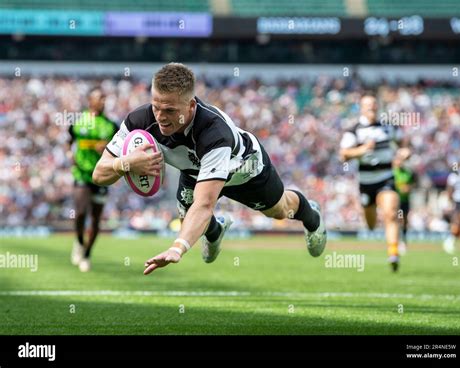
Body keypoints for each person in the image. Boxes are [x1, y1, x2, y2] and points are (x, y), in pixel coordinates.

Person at [92, 63, 327, 274]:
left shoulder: (213, 133)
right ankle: (215, 231)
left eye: (170, 111)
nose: (161, 117)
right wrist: (125, 163)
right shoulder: (138, 121)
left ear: (191, 105)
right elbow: (99, 174)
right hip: (196, 171)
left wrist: (178, 248)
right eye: (156, 107)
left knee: (278, 211)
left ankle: (312, 216)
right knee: (188, 220)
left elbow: (204, 204)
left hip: (245, 169)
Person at [339, 94, 406, 272]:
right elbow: (344, 154)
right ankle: (377, 228)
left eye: (374, 104)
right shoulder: (354, 129)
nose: (372, 108)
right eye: (368, 105)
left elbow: (403, 143)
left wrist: (403, 153)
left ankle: (393, 253)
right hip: (366, 181)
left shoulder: (388, 126)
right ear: (361, 108)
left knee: (391, 213)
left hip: (386, 177)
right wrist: (362, 150)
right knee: (370, 223)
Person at [69, 87, 118, 272]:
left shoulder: (111, 125)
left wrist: (107, 148)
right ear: (90, 100)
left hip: (102, 177)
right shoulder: (78, 121)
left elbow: (121, 148)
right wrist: (69, 154)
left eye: (105, 98)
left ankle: (87, 254)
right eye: (100, 98)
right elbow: (69, 140)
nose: (103, 101)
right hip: (82, 173)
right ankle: (79, 242)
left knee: (96, 219)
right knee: (80, 213)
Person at [393, 148, 416, 254]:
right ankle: (395, 242)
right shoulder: (393, 172)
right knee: (397, 220)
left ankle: (403, 241)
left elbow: (413, 184)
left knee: (404, 221)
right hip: (395, 201)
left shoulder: (408, 172)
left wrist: (408, 188)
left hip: (405, 201)